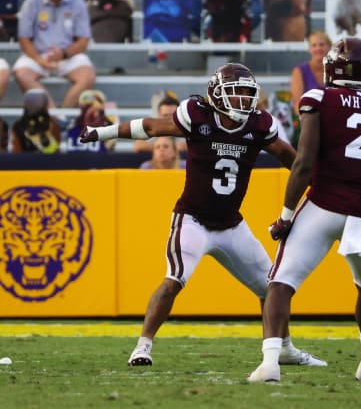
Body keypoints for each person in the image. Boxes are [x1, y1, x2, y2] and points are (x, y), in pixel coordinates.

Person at [79, 62, 326, 368]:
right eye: (236, 94)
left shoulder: (259, 124)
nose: (244, 101)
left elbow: (290, 157)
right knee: (174, 280)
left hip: (231, 224)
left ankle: (283, 348)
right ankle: (142, 347)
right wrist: (102, 132)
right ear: (218, 96)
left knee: (272, 286)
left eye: (248, 95)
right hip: (192, 219)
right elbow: (153, 127)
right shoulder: (198, 116)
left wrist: (323, 182)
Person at [247, 37, 361, 383]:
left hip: (323, 205)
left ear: (332, 68)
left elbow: (304, 163)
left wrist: (286, 216)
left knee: (280, 282)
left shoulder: (319, 98)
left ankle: (270, 363)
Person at [13, 0, 96, 109]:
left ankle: (64, 112)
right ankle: (53, 116)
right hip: (38, 55)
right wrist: (40, 60)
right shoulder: (32, 2)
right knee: (22, 73)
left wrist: (63, 54)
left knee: (87, 76)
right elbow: (24, 39)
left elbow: (83, 40)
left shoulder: (77, 3)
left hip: (68, 54)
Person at [289, 30, 331, 145]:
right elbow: (298, 104)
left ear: (329, 46)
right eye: (314, 45)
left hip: (334, 123)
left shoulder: (335, 70)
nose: (318, 48)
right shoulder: (299, 71)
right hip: (309, 124)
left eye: (321, 44)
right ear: (309, 49)